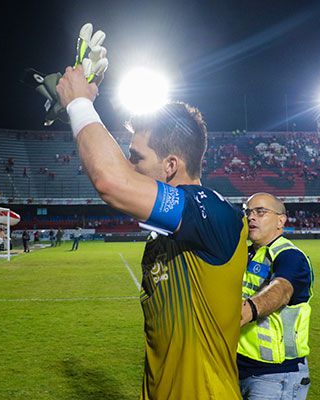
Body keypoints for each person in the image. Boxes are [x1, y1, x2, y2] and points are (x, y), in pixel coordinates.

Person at [57, 66, 247, 399]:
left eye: (136, 158)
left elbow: (111, 181)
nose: (129, 166)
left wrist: (79, 104)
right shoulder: (170, 227)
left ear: (171, 165)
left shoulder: (210, 211)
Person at [238, 193, 314, 400]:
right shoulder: (246, 254)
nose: (251, 217)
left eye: (260, 212)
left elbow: (281, 290)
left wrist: (240, 315)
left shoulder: (290, 256)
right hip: (238, 367)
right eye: (248, 212)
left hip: (276, 375)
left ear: (281, 220)